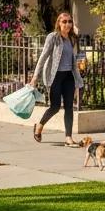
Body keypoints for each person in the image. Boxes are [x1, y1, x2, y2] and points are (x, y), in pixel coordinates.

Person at [30, 11, 84, 146]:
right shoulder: (53, 37)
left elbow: (75, 58)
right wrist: (35, 76)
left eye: (69, 21)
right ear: (58, 23)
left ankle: (68, 137)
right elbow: (43, 57)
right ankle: (39, 126)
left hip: (69, 76)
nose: (67, 24)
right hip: (55, 77)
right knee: (55, 107)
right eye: (64, 21)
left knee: (69, 107)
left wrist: (79, 79)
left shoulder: (73, 38)